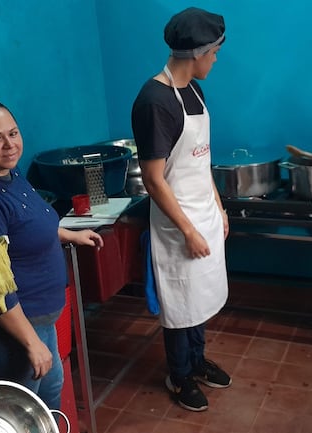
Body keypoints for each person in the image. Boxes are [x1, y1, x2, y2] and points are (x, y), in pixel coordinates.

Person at [0, 98, 104, 411]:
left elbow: (28, 223)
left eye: (14, 133)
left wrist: (69, 234)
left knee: (49, 395)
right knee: (22, 410)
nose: (10, 145)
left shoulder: (9, 174)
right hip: (19, 327)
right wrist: (31, 342)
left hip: (41, 320)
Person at [130, 7, 232, 412]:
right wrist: (188, 229)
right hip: (177, 223)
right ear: (199, 52)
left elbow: (200, 160)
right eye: (215, 52)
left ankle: (197, 358)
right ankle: (179, 374)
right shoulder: (155, 100)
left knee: (201, 297)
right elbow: (155, 180)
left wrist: (219, 209)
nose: (217, 59)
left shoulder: (194, 90)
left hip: (204, 212)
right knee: (181, 301)